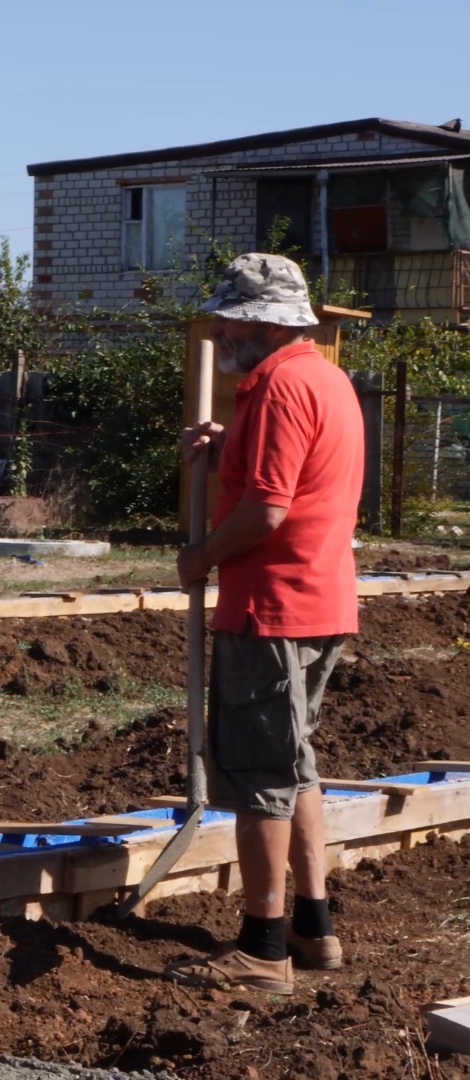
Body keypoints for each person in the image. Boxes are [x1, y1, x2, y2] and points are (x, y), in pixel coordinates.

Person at [164, 253, 362, 995]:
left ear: (267, 321)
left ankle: (262, 949)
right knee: (296, 763)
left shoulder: (279, 387)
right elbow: (287, 479)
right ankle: (314, 927)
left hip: (274, 606)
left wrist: (200, 559)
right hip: (320, 599)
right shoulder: (325, 379)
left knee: (258, 776)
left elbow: (267, 511)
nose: (221, 327)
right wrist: (227, 451)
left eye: (232, 317)